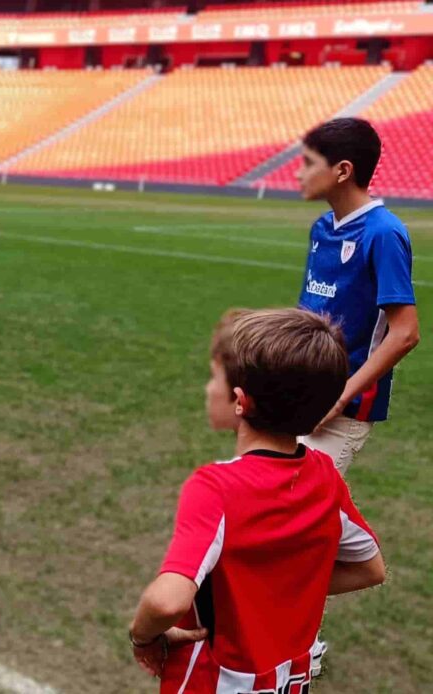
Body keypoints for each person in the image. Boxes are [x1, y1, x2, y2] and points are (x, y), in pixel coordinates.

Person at [129, 309, 385, 692]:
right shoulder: (325, 479)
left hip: (214, 680)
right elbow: (370, 568)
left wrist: (142, 637)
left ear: (239, 401)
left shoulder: (216, 487)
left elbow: (167, 602)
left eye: (215, 378)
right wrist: (277, 595)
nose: (207, 388)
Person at [295, 117, 420, 474]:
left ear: (342, 170)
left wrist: (340, 396)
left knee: (299, 507)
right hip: (305, 393)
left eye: (308, 163)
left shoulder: (383, 233)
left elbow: (405, 333)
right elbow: (311, 312)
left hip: (343, 407)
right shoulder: (322, 227)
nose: (298, 174)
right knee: (289, 505)